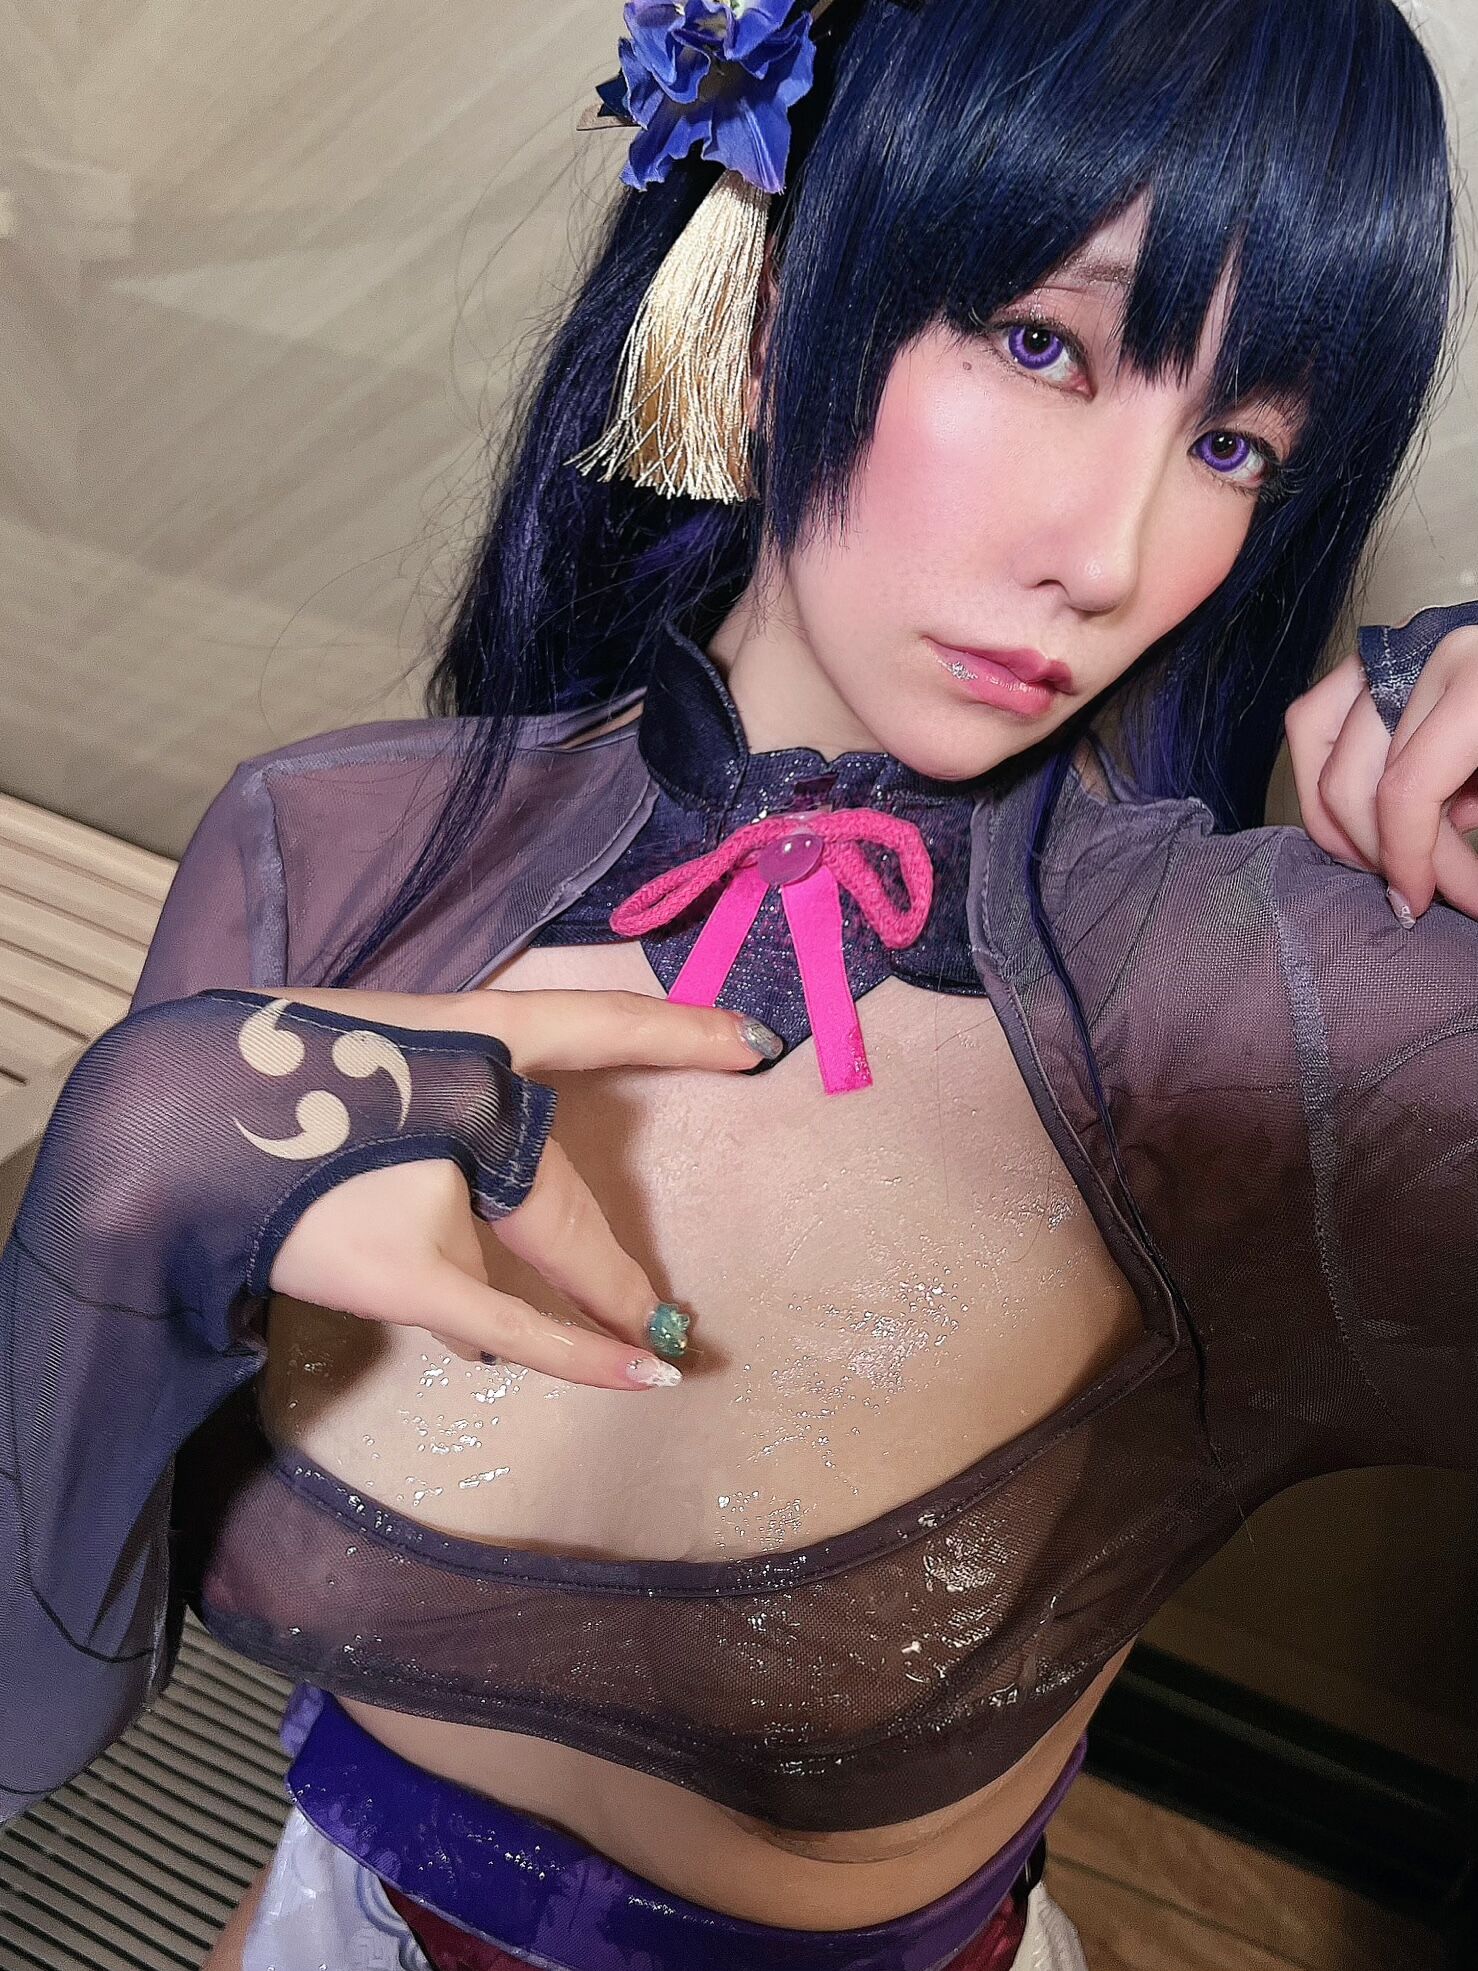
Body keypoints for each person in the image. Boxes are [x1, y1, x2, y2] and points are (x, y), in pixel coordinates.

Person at [4, 2, 1477, 1967]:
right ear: (767, 311)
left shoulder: (1254, 1024)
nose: (1111, 556)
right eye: (1041, 345)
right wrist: (125, 1180)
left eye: (1232, 447)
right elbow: (27, 1717)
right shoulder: (331, 843)